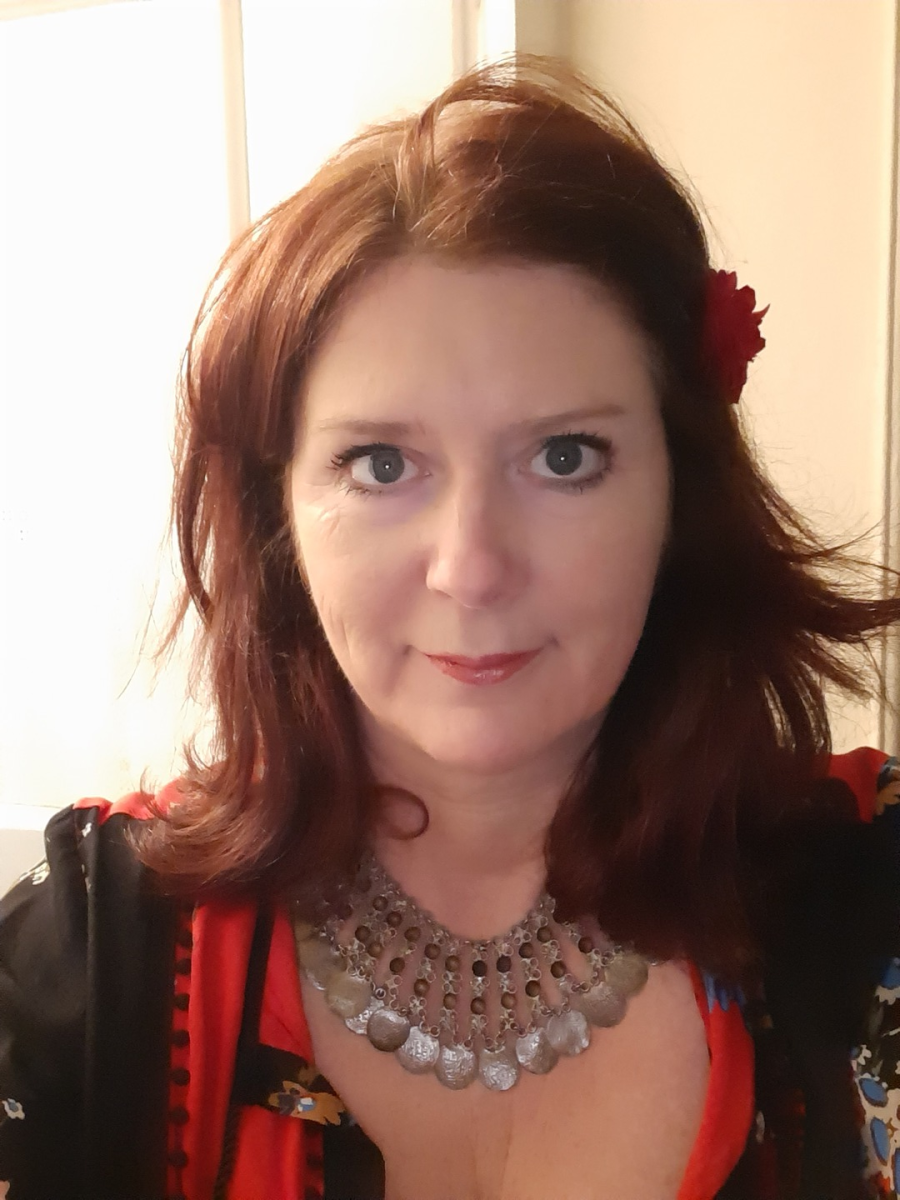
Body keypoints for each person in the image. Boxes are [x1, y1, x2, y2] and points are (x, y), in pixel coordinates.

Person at [2, 53, 900, 1200]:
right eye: (382, 464)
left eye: (564, 457)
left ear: (682, 495)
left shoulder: (870, 897)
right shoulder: (92, 963)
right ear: (279, 517)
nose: (471, 569)